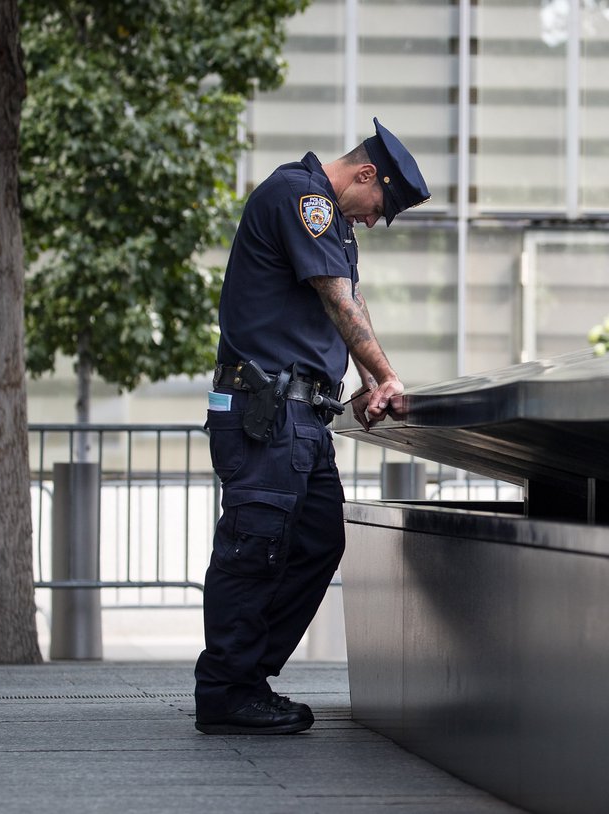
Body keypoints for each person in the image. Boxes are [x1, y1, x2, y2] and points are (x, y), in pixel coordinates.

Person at [193, 118, 429, 735]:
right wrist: (389, 376)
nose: (375, 221)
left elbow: (351, 303)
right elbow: (336, 297)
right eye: (381, 207)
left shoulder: (332, 219)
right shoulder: (301, 198)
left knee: (319, 538)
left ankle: (245, 677)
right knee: (256, 549)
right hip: (265, 416)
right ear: (365, 173)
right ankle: (226, 689)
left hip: (300, 418)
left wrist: (371, 380)